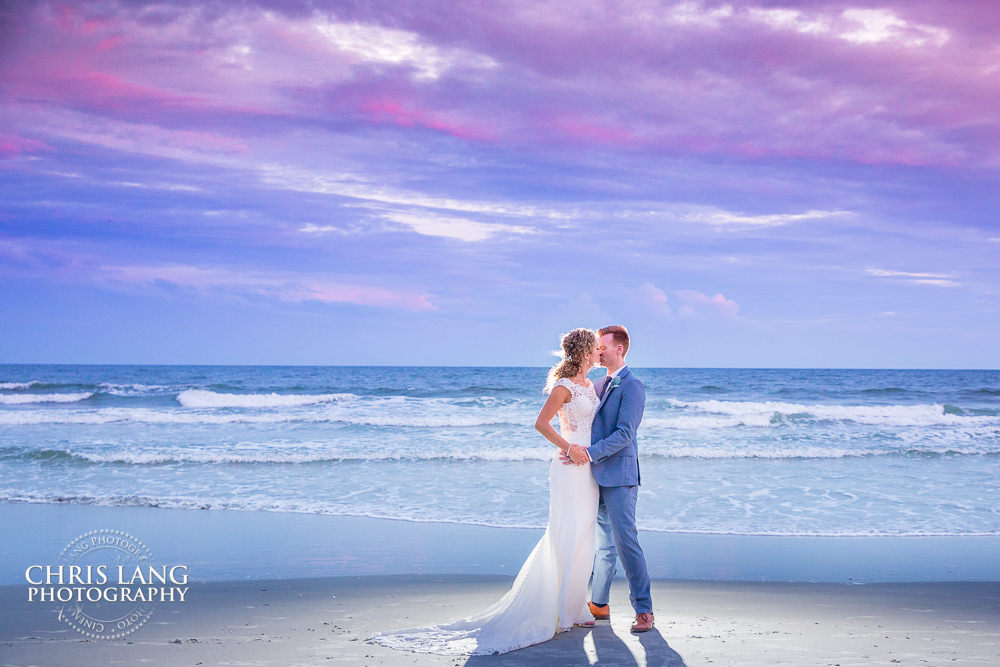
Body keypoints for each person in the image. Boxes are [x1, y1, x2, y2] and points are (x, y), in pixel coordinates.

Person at [368, 328, 602, 655]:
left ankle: (575, 607)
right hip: (568, 467)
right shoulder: (563, 387)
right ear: (584, 352)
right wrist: (570, 447)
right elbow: (542, 424)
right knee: (565, 532)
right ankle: (558, 608)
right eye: (595, 347)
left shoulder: (591, 385)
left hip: (589, 468)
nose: (599, 350)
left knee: (585, 535)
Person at [563, 324, 654, 632]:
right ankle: (599, 604)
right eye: (596, 346)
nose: (598, 350)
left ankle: (644, 609)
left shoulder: (632, 385)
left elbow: (625, 434)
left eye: (602, 346)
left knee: (626, 541)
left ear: (620, 349)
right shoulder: (598, 384)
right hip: (592, 475)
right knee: (603, 545)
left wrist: (587, 453)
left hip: (620, 475)